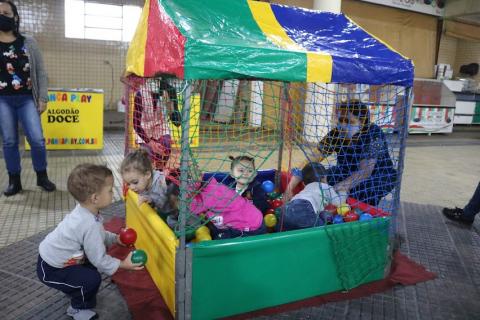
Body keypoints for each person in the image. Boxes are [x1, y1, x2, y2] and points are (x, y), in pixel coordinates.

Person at [37, 164, 143, 320]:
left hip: (61, 260)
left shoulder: (86, 211)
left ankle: (75, 289)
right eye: (110, 190)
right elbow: (99, 259)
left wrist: (115, 239)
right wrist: (123, 264)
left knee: (89, 272)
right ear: (95, 198)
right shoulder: (88, 222)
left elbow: (97, 235)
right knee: (91, 280)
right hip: (51, 268)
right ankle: (76, 309)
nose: (113, 193)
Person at [284, 100, 397, 206]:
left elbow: (365, 171)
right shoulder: (336, 134)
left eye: (349, 121)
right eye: (341, 120)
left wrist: (341, 186)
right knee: (315, 177)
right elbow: (311, 161)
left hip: (378, 176)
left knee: (364, 193)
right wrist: (290, 187)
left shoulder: (374, 134)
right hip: (345, 172)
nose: (343, 125)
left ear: (362, 123)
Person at [0, 0, 55, 196]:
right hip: (2, 100)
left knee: (37, 140)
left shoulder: (28, 42)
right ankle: (15, 180)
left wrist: (43, 98)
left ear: (15, 17)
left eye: (5, 13)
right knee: (9, 141)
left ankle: (42, 176)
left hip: (26, 99)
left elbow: (40, 72)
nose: (2, 17)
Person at [168, 177, 266, 240]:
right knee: (213, 229)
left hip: (250, 229)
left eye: (180, 203)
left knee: (219, 241)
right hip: (245, 220)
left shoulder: (210, 196)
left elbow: (193, 208)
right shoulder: (207, 190)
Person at [133, 77, 181, 170]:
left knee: (165, 145)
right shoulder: (140, 94)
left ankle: (160, 172)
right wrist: (150, 142)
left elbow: (177, 123)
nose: (155, 82)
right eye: (152, 79)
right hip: (144, 129)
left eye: (158, 80)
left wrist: (170, 107)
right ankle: (149, 174)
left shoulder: (169, 90)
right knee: (147, 156)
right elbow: (136, 124)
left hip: (161, 127)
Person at [280, 163, 342, 231]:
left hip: (286, 209)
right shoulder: (326, 187)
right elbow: (339, 202)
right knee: (325, 229)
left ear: (304, 183)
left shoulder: (306, 189)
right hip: (304, 209)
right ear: (323, 178)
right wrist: (343, 191)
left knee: (288, 227)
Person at [120, 148, 171, 213]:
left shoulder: (161, 183)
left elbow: (167, 204)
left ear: (147, 174)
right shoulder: (142, 185)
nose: (131, 187)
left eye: (135, 182)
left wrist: (152, 200)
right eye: (128, 184)